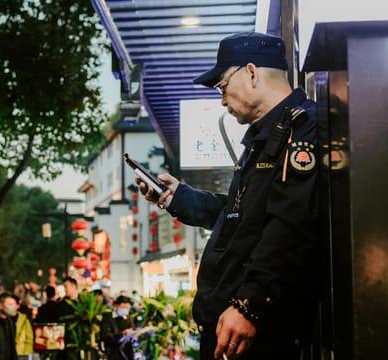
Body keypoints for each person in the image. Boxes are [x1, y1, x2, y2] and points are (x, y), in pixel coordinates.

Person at [136, 32, 319, 360]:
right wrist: (179, 198)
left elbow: (291, 226)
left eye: (222, 87)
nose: (221, 100)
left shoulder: (301, 129)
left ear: (251, 73)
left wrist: (248, 305)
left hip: (257, 333)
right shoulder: (265, 137)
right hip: (228, 328)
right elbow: (240, 217)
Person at [100, 295, 135, 360]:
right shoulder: (108, 318)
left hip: (127, 351)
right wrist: (122, 334)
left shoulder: (129, 318)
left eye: (127, 308)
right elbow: (105, 335)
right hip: (113, 351)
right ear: (116, 306)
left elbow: (132, 329)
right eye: (123, 307)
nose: (125, 310)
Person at [0, 293, 33, 357]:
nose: (10, 307)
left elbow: (29, 339)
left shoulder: (24, 319)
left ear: (17, 306)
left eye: (12, 304)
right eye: (8, 304)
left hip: (20, 353)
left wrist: (26, 353)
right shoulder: (3, 319)